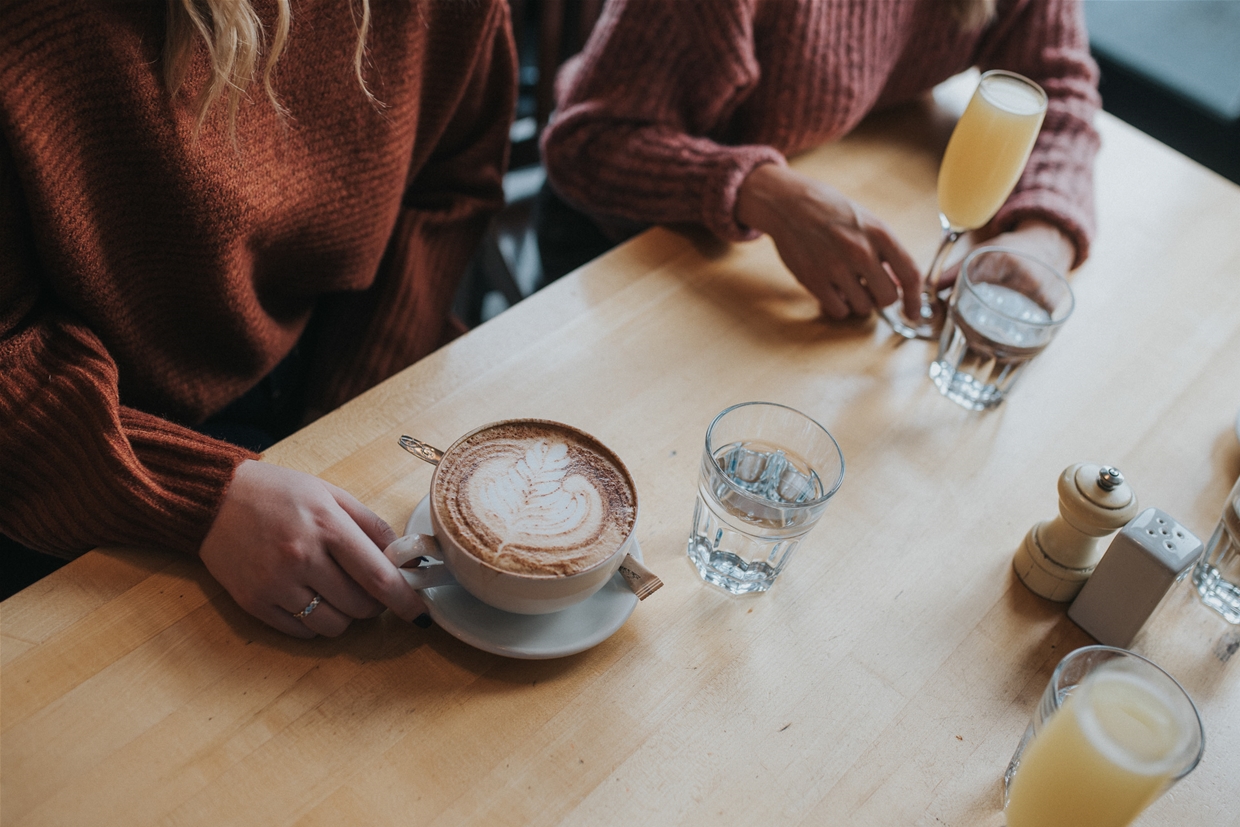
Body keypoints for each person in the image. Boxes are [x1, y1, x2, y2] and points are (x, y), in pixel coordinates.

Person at [0, 0, 516, 637]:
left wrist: (348, 411)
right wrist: (202, 497)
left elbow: (449, 185)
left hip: (336, 352)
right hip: (91, 439)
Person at [539, 0, 1100, 321]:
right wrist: (762, 192)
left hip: (827, 182)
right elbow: (586, 143)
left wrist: (1045, 235)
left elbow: (1058, 84)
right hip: (632, 238)